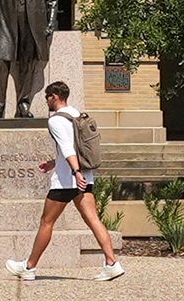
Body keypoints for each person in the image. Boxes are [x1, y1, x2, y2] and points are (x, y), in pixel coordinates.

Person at [7, 80, 122, 281]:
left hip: (66, 181)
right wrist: (55, 163)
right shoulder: (77, 115)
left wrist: (75, 172)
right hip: (85, 178)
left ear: (55, 97)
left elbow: (68, 148)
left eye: (47, 98)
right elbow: (74, 149)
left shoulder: (56, 121)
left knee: (46, 222)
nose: (46, 102)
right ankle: (112, 263)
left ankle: (29, 267)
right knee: (93, 220)